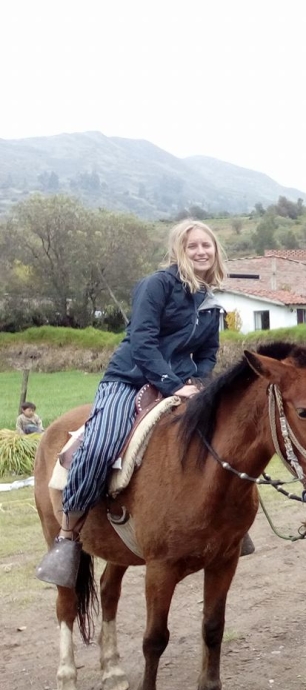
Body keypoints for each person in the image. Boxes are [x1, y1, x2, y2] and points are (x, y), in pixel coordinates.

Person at [35, 220, 251, 588]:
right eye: (192, 246)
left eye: (207, 245)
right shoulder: (157, 286)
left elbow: (209, 352)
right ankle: (70, 535)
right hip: (130, 380)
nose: (201, 251)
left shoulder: (211, 302)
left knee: (228, 437)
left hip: (183, 386)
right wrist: (170, 384)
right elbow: (142, 341)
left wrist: (197, 383)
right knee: (101, 446)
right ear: (178, 251)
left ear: (216, 251)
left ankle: (229, 525)